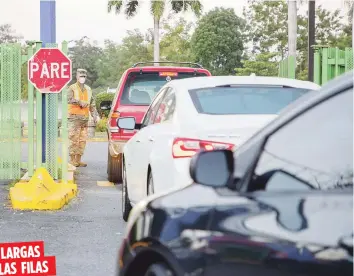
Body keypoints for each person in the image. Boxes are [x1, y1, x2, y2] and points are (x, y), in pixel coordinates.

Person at [67, 68, 100, 167]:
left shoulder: (88, 89)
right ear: (77, 76)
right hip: (74, 118)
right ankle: (72, 160)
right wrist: (79, 102)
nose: (82, 78)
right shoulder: (72, 88)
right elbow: (68, 99)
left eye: (84, 76)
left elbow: (92, 104)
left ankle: (78, 160)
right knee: (73, 139)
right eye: (81, 76)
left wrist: (95, 116)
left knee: (82, 140)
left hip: (84, 119)